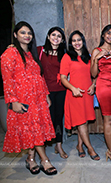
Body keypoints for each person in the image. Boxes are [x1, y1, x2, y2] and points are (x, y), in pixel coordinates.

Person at [1, 21, 57, 175]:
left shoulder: (31, 55)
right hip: (23, 100)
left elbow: (39, 76)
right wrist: (13, 102)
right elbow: (7, 79)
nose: (27, 36)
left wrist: (46, 95)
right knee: (33, 129)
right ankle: (44, 159)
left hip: (38, 99)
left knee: (35, 129)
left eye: (29, 33)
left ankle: (30, 158)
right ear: (15, 35)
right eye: (23, 32)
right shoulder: (10, 54)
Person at [60, 30, 100, 161]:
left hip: (87, 94)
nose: (77, 43)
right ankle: (90, 148)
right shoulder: (67, 57)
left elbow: (94, 74)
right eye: (74, 40)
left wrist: (93, 85)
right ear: (70, 43)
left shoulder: (87, 57)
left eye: (79, 40)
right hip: (75, 94)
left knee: (84, 121)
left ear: (83, 41)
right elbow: (63, 78)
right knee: (81, 122)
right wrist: (72, 89)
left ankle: (79, 145)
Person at [90, 24, 111, 166]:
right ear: (103, 34)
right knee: (108, 119)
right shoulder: (96, 51)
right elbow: (93, 73)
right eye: (108, 33)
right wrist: (97, 58)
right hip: (104, 86)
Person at [38, 27, 68, 159]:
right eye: (53, 35)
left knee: (58, 118)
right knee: (45, 119)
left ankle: (59, 145)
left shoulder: (64, 53)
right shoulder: (39, 51)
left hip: (61, 90)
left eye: (59, 36)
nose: (56, 38)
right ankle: (42, 146)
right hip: (44, 91)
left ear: (62, 40)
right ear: (49, 36)